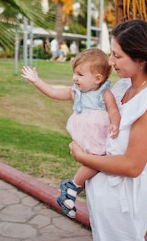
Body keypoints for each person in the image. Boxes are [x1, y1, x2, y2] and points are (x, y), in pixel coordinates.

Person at [69, 19, 147, 241]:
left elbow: (132, 165)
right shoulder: (123, 86)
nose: (110, 62)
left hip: (122, 204)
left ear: (140, 59)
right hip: (102, 198)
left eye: (117, 55)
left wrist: (81, 156)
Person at [21, 48, 120, 219]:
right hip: (86, 135)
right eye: (74, 73)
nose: (75, 78)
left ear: (98, 78)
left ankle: (71, 191)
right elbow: (52, 92)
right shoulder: (75, 92)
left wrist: (115, 124)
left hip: (100, 134)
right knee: (98, 161)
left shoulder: (105, 93)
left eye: (80, 75)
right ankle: (72, 187)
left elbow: (114, 111)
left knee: (98, 162)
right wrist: (36, 81)